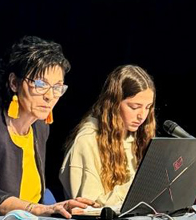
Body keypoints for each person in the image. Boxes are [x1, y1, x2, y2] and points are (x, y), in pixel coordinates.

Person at [0, 36, 94, 217]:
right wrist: (37, 209)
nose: (49, 96)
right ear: (14, 83)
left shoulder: (40, 127)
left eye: (57, 87)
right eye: (40, 84)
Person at [60, 65, 156, 207]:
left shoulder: (137, 136)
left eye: (148, 107)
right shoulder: (87, 139)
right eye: (134, 107)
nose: (142, 115)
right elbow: (89, 205)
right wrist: (139, 187)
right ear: (114, 104)